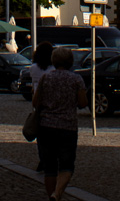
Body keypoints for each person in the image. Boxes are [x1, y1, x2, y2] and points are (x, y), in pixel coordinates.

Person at [32, 46, 88, 201]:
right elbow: (83, 103)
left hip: (46, 127)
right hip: (67, 127)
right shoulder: (76, 79)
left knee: (50, 167)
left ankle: (52, 195)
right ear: (70, 61)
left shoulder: (45, 78)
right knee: (67, 166)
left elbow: (35, 102)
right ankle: (57, 194)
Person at [30, 42, 54, 171]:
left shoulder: (33, 68)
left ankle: (43, 159)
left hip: (38, 104)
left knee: (41, 135)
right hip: (52, 103)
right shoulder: (53, 69)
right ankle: (50, 159)